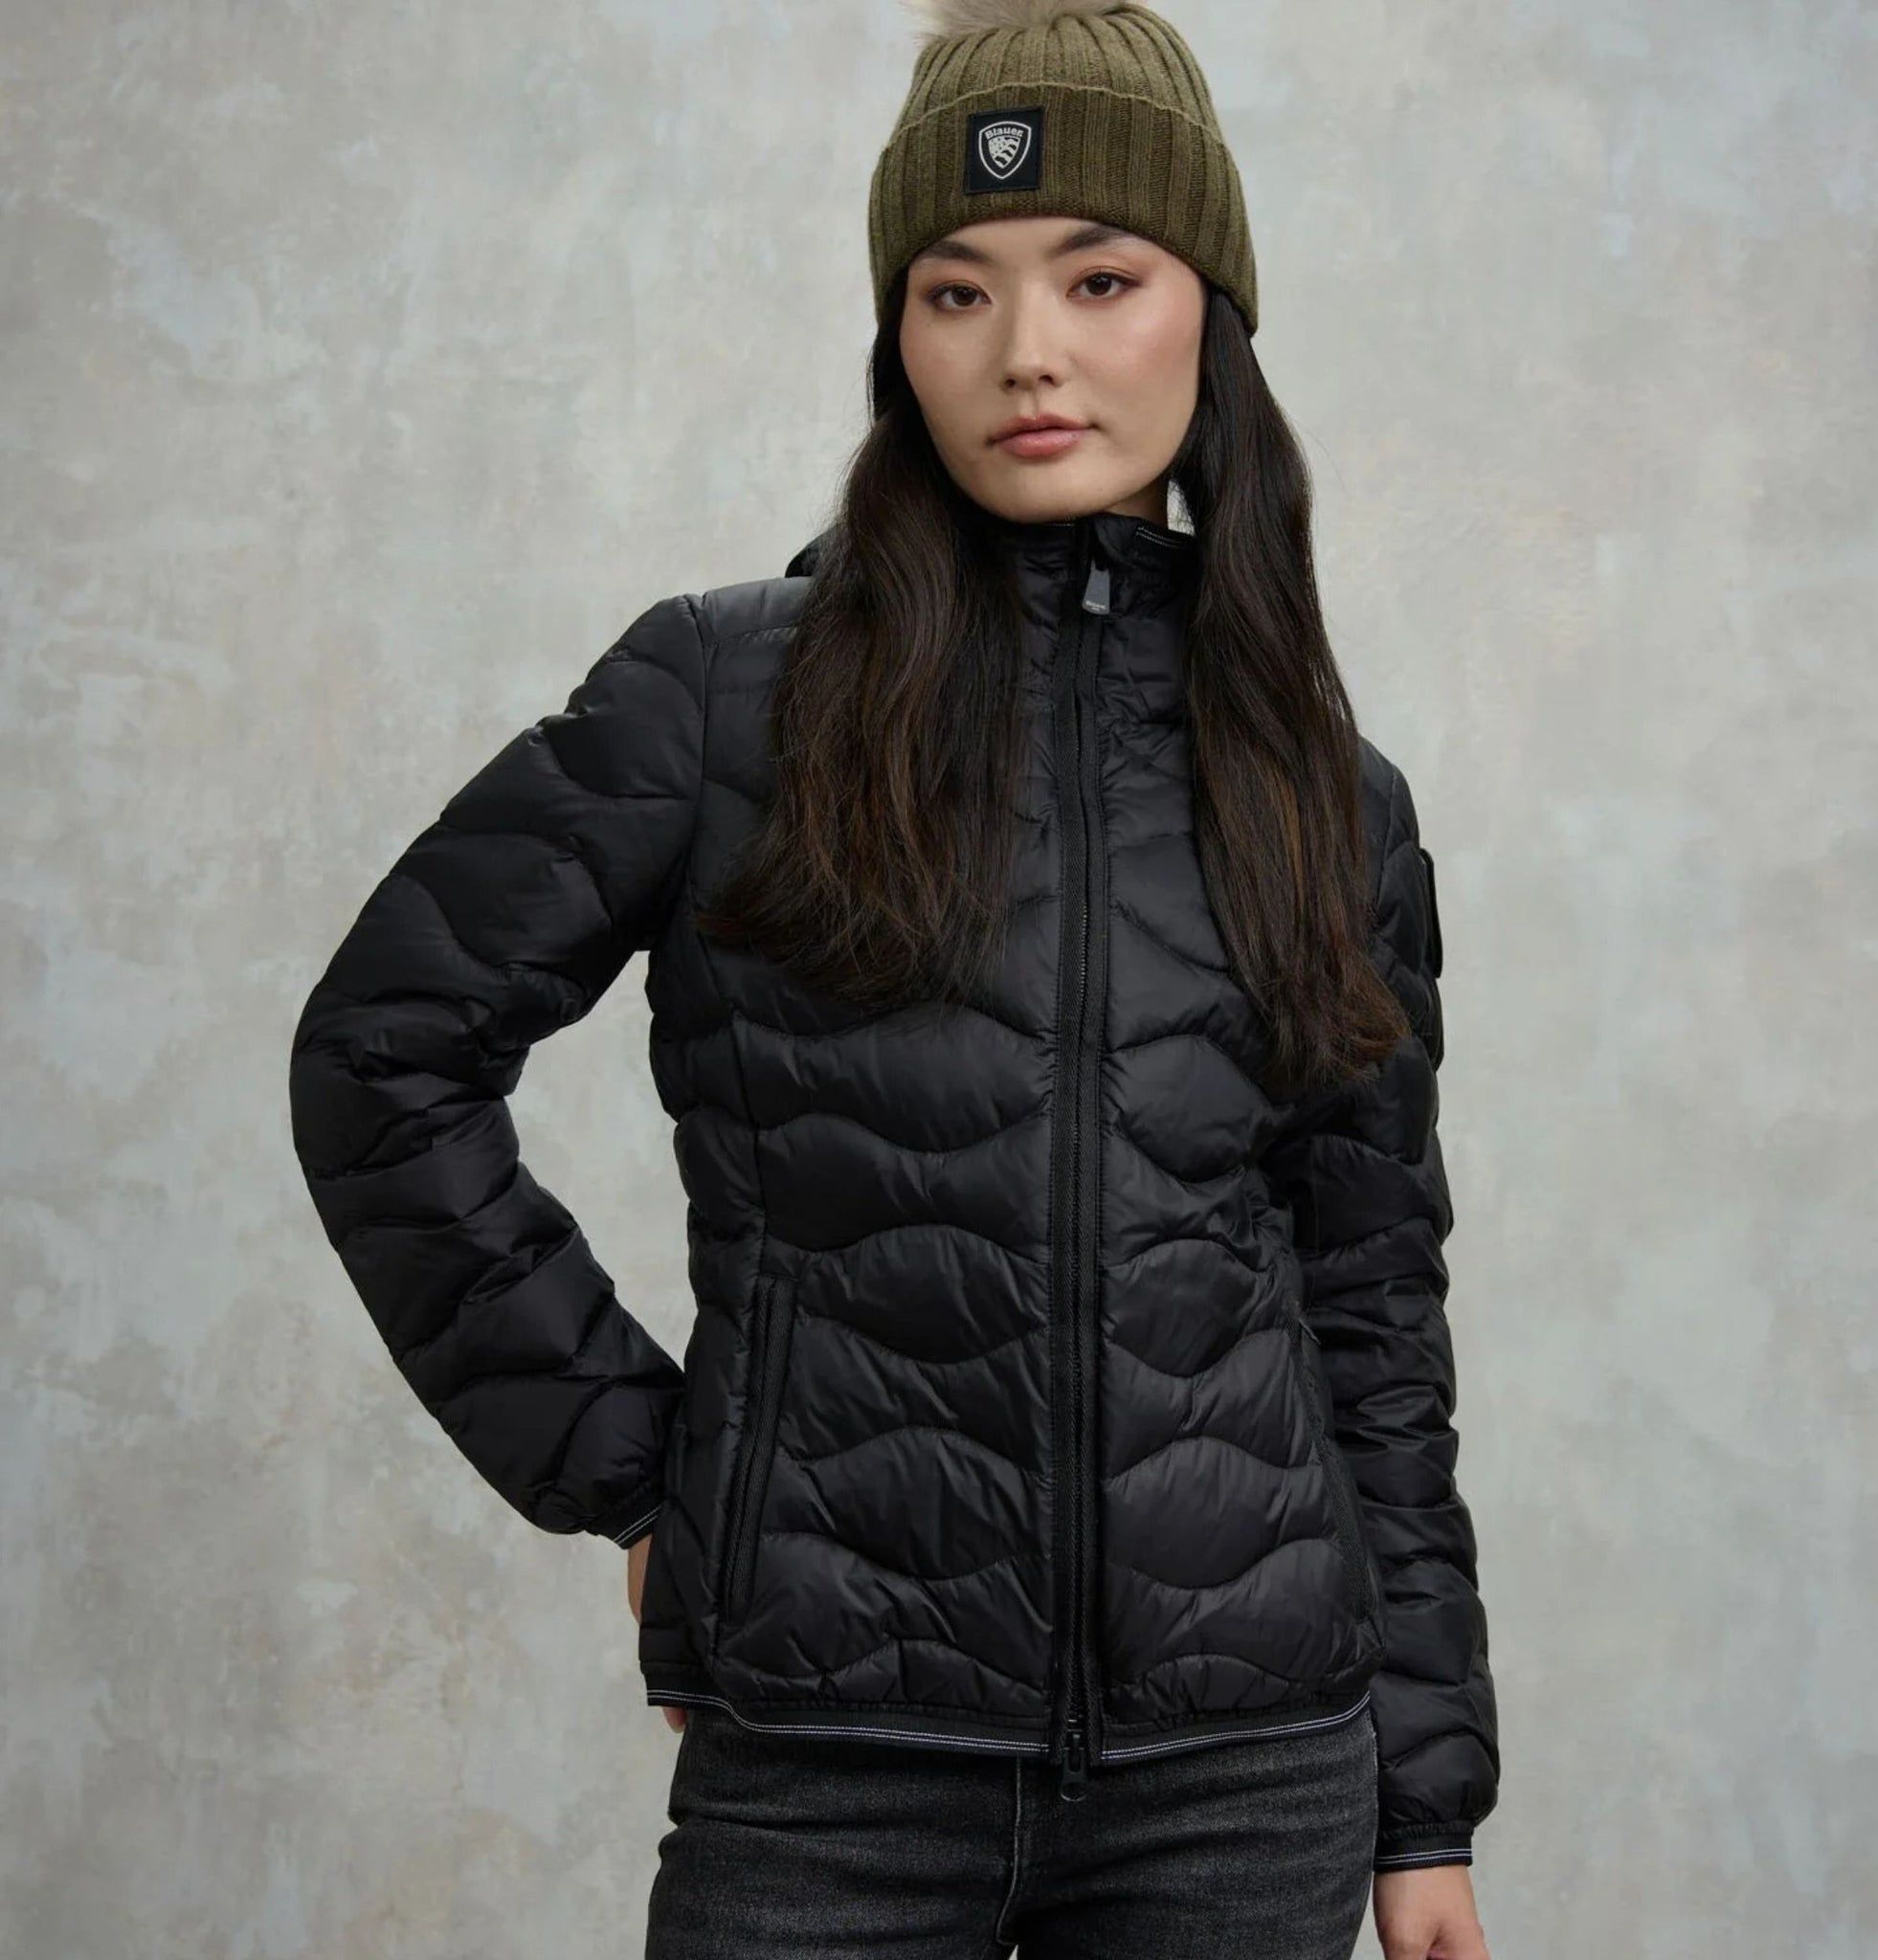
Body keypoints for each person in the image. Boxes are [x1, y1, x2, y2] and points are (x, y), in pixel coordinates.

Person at [286, 1, 1499, 1954]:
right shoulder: (721, 694)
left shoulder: (1328, 799)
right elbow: (384, 1054)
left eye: (1099, 277)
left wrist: (1425, 1803)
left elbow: (1368, 1304)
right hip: (829, 1764)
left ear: (1209, 313)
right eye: (956, 291)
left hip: (1245, 1779)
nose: (1027, 352)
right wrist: (641, 1476)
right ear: (898, 336)